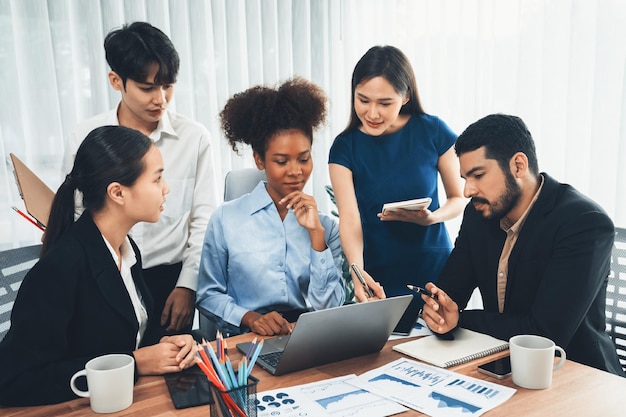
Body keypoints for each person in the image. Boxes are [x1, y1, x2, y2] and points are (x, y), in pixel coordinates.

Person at [0, 126, 198, 406]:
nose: (166, 189)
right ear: (118, 192)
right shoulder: (61, 268)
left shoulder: (127, 250)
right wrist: (135, 363)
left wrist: (167, 345)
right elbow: (13, 381)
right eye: (157, 179)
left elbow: (129, 331)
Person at [420, 113, 625, 376]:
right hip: (501, 365)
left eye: (478, 175)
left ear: (518, 165)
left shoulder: (583, 223)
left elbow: (543, 334)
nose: (468, 191)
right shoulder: (479, 214)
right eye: (464, 178)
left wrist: (461, 319)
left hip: (574, 374)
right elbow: (449, 292)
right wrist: (436, 308)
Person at [62, 22, 219, 340]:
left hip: (170, 282)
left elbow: (205, 221)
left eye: (168, 86)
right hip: (105, 279)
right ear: (116, 81)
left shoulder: (194, 137)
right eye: (148, 88)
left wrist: (187, 285)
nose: (161, 99)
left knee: (172, 377)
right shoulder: (88, 136)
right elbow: (76, 214)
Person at [196, 77, 345, 338]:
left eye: (304, 158)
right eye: (281, 161)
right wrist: (250, 318)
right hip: (248, 338)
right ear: (259, 160)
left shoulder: (325, 227)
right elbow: (208, 296)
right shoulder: (226, 219)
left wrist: (316, 239)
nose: (296, 172)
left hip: (309, 338)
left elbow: (331, 308)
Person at [328, 45, 465, 306]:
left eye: (384, 103)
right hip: (378, 275)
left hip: (435, 270)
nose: (372, 113)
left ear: (405, 97)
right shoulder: (345, 147)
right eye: (363, 100)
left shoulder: (433, 131)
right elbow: (349, 218)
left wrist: (431, 218)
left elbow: (458, 197)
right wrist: (358, 275)